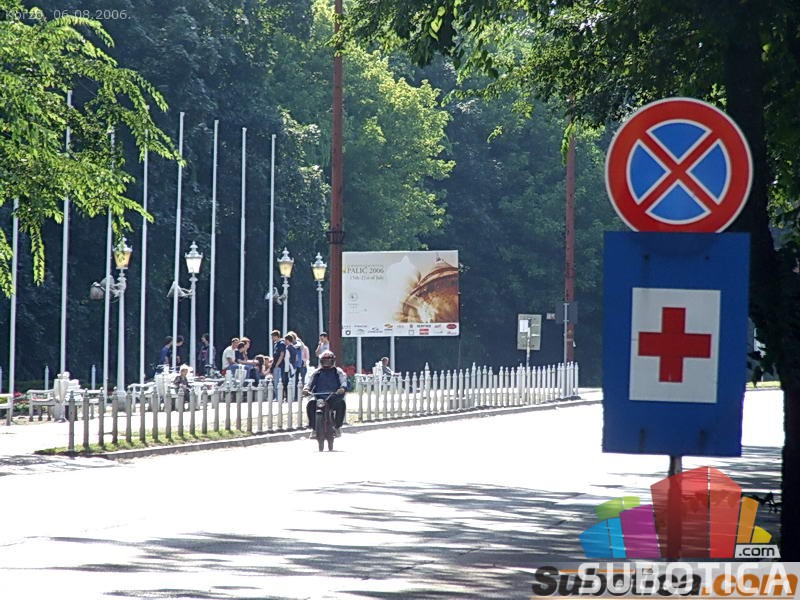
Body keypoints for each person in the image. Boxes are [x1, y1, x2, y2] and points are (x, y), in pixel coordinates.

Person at [303, 350, 347, 438]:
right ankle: (314, 429)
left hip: (333, 396)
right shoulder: (317, 372)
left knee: (341, 404)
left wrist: (342, 388)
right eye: (324, 360)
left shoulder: (338, 371)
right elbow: (309, 383)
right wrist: (306, 389)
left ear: (333, 361)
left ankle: (337, 427)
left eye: (328, 360)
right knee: (311, 404)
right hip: (319, 397)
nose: (326, 362)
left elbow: (344, 382)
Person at [271, 330, 287, 399]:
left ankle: (279, 396)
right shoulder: (275, 344)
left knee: (279, 381)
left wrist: (277, 364)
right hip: (275, 365)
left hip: (280, 366)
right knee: (275, 381)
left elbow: (282, 355)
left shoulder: (281, 344)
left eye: (273, 337)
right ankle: (277, 396)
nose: (272, 338)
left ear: (277, 336)